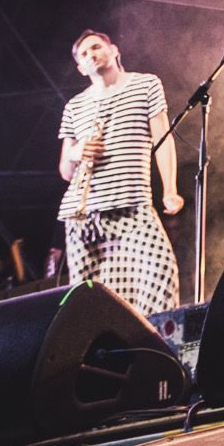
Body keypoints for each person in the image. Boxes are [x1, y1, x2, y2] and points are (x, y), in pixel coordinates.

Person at [55, 30, 184, 317]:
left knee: (159, 275)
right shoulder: (75, 106)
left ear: (113, 50)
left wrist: (170, 189)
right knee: (93, 298)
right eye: (84, 54)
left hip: (131, 202)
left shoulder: (146, 84)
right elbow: (65, 169)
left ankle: (156, 347)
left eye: (96, 47)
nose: (92, 55)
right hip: (83, 214)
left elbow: (162, 139)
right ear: (80, 67)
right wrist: (78, 152)